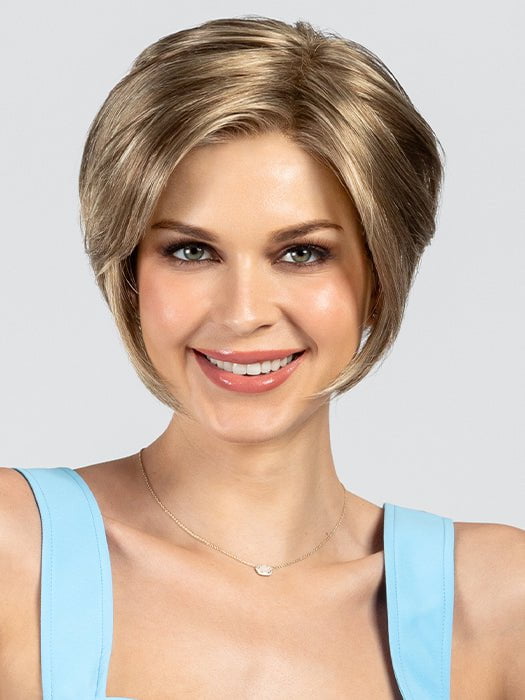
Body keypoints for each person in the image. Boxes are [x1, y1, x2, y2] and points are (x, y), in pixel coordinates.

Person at [1, 15, 523, 700]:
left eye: (302, 253)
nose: (243, 312)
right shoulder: (15, 552)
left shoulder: (493, 602)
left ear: (380, 278)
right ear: (129, 276)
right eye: (190, 251)